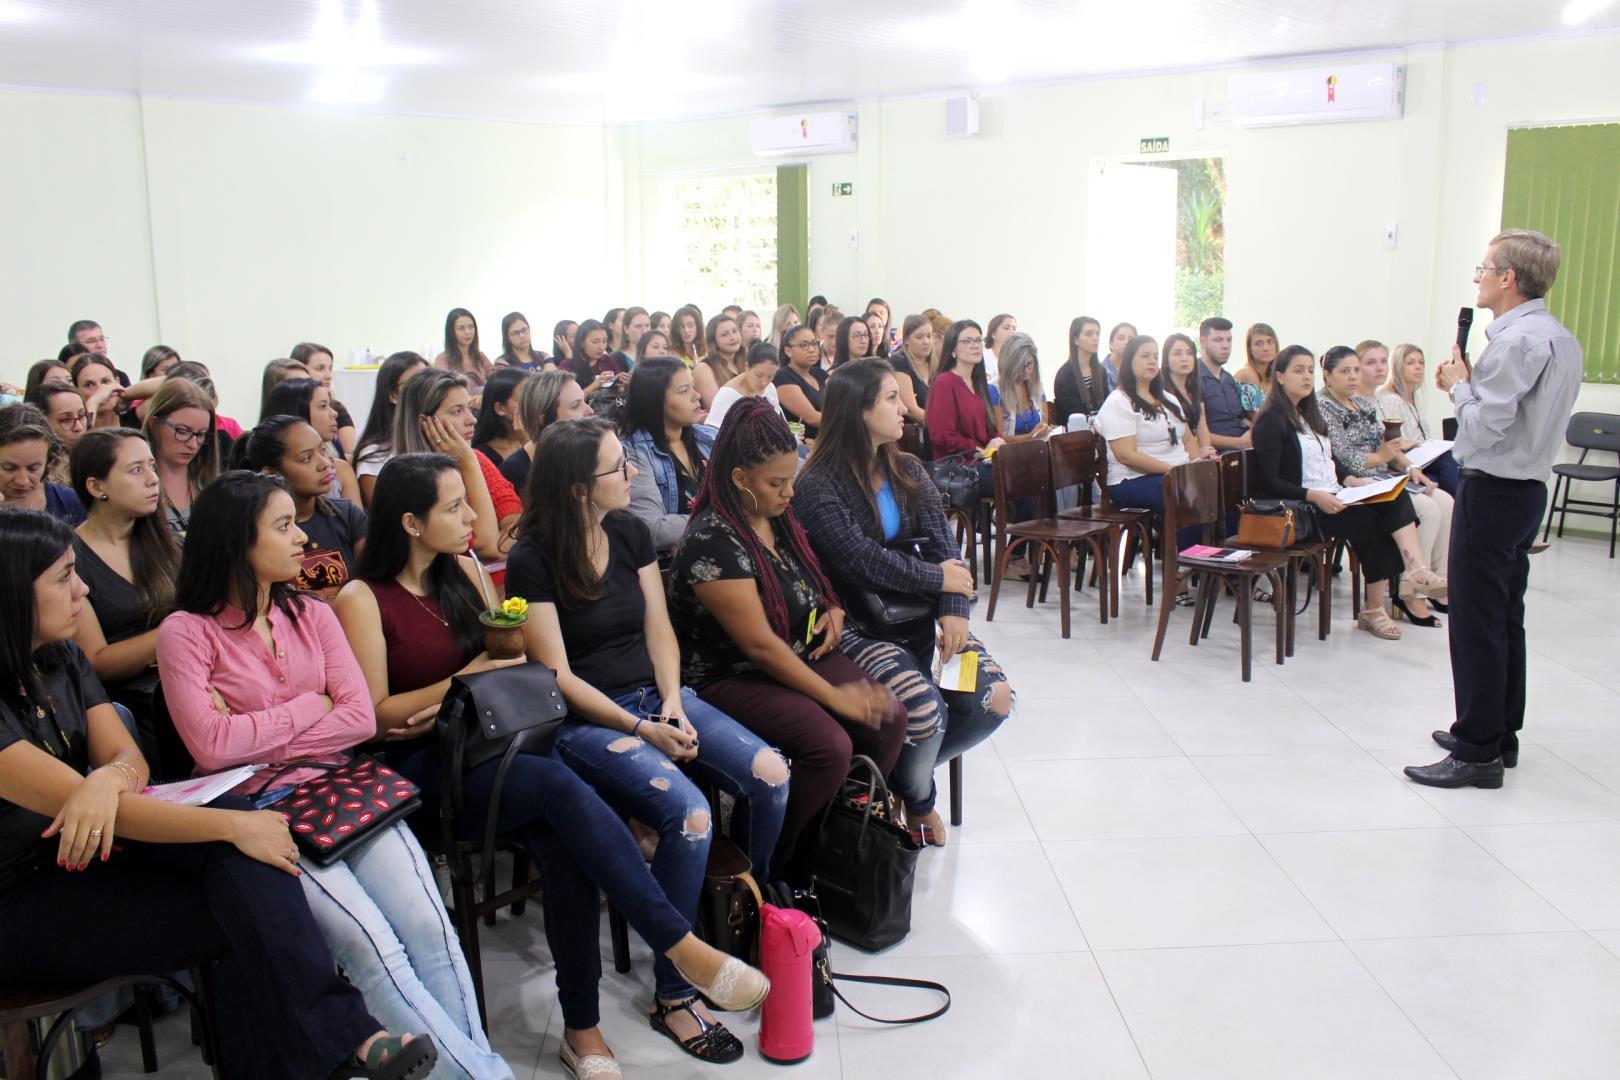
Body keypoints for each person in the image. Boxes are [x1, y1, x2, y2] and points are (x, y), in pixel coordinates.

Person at [0, 506, 438, 1080]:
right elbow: (122, 810)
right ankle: (345, 1039)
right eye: (62, 577)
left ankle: (337, 1046)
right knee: (244, 885)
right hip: (20, 897)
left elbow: (127, 759)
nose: (82, 589)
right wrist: (233, 824)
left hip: (86, 854)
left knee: (244, 881)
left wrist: (105, 779)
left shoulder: (61, 658)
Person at [156, 471, 506, 1080]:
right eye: (284, 525)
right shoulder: (186, 631)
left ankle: (476, 1067)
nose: (303, 539)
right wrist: (306, 707)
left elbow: (359, 718)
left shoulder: (310, 614)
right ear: (238, 541)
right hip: (260, 810)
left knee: (428, 925)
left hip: (342, 786)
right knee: (369, 944)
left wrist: (261, 729)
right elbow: (212, 750)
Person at [502, 423, 786, 1062]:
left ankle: (750, 915)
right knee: (687, 815)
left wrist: (673, 701)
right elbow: (557, 676)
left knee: (770, 773)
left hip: (655, 698)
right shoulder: (534, 557)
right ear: (580, 488)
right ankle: (675, 991)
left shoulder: (628, 532)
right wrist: (639, 727)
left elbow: (660, 628)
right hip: (587, 723)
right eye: (617, 468)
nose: (635, 476)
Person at [668, 398, 903, 879]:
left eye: (791, 477)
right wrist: (834, 697)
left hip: (794, 653)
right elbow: (758, 646)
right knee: (828, 747)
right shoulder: (712, 542)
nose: (790, 491)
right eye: (777, 483)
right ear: (739, 480)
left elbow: (814, 584)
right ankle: (778, 866)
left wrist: (833, 610)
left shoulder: (776, 518)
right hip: (730, 673)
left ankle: (836, 834)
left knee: (889, 717)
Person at [797, 358, 1013, 847]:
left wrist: (952, 612)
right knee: (925, 711)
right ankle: (919, 801)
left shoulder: (907, 467)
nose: (905, 409)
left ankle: (887, 782)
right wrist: (939, 580)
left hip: (920, 618)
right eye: (892, 398)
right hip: (858, 627)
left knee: (993, 700)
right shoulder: (817, 484)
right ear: (859, 411)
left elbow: (945, 549)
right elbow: (858, 560)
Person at [1406, 229, 1583, 790]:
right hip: (1528, 491)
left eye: (1483, 268)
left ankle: (1477, 748)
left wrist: (1460, 388)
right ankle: (1499, 732)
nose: (1478, 278)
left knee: (1476, 620)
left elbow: (1484, 427)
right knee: (1504, 615)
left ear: (1508, 278)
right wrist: (1468, 386)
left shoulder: (1515, 343)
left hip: (1496, 488)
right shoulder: (1559, 337)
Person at [1252, 346, 1442, 642]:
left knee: (1394, 497)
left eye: (1309, 370)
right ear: (1279, 377)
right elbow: (1268, 481)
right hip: (1300, 507)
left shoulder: (1308, 414)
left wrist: (1350, 478)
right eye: (1298, 371)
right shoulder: (1270, 421)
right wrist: (1313, 495)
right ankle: (1374, 610)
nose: (1306, 377)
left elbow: (1328, 459)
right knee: (1370, 523)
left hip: (1333, 493)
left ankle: (1414, 568)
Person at [1317, 345, 1450, 626]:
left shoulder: (1364, 404)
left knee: (1446, 502)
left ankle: (1430, 579)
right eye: (1345, 371)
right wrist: (1385, 457)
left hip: (1383, 474)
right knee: (1427, 510)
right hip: (1357, 481)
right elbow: (1347, 458)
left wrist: (1411, 468)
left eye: (1355, 370)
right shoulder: (1323, 405)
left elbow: (1387, 446)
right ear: (1327, 376)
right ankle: (1409, 588)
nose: (1353, 376)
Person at [359, 370, 515, 557]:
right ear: (423, 422)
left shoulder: (474, 457)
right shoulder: (405, 478)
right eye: (457, 411)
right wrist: (468, 465)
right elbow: (486, 545)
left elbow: (516, 523)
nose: (472, 420)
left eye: (469, 409)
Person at [69, 430, 178, 691]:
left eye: (151, 466)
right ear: (96, 487)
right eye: (135, 470)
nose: (153, 480)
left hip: (187, 683)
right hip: (126, 702)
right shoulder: (69, 557)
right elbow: (94, 662)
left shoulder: (170, 543)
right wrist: (179, 631)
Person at [1094, 335, 1216, 548]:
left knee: (1222, 489)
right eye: (1145, 356)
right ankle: (1185, 564)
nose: (1152, 361)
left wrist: (1197, 467)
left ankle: (1221, 565)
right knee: (1185, 493)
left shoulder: (1168, 399)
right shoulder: (1118, 401)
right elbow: (1126, 455)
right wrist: (1174, 472)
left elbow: (1187, 437)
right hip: (1132, 480)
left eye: (1155, 356)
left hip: (1172, 474)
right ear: (1129, 361)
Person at [235, 416, 367, 598]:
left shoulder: (347, 515)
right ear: (271, 473)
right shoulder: (257, 531)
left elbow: (372, 585)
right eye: (306, 458)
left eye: (323, 450)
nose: (324, 463)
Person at [619, 358, 713, 552]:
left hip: (714, 547)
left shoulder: (707, 437)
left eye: (693, 387)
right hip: (671, 564)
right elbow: (654, 530)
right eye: (684, 390)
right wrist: (722, 518)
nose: (697, 396)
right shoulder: (634, 453)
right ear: (655, 401)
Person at [925, 320, 1005, 500]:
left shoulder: (978, 382)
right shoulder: (945, 382)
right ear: (953, 349)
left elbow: (990, 428)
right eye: (967, 341)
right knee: (1015, 478)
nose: (975, 345)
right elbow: (941, 435)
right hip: (959, 467)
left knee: (1032, 470)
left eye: (978, 340)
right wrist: (978, 450)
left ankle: (1024, 526)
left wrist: (997, 442)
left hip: (983, 461)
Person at [262, 376, 363, 504]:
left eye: (330, 405)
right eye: (323, 406)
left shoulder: (342, 469)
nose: (334, 413)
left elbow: (357, 521)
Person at [139, 378, 220, 539]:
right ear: (154, 424)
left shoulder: (211, 486)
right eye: (182, 431)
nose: (193, 444)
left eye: (201, 434)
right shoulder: (136, 486)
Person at [1379, 343, 1460, 495]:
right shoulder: (1391, 399)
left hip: (1425, 457)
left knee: (1449, 464)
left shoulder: (1415, 397)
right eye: (1410, 363)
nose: (1418, 367)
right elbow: (1393, 442)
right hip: (1407, 458)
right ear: (1397, 367)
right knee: (1448, 463)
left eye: (1421, 362)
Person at [498, 370, 591, 500]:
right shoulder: (514, 471)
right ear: (545, 420)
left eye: (585, 401)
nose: (590, 411)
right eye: (576, 406)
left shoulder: (590, 449)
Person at [0, 404, 84, 524]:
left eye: (33, 468)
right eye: (9, 468)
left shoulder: (71, 503)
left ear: (49, 459)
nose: (22, 481)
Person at [354, 351, 431, 479]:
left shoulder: (439, 434)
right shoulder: (375, 454)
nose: (426, 389)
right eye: (415, 383)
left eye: (429, 380)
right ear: (393, 395)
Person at [289, 343, 359, 458]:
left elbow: (349, 454)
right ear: (300, 372)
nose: (328, 375)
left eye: (330, 368)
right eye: (320, 368)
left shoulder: (337, 409)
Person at [1196, 316, 1251, 450]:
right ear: (1202, 342)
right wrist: (1239, 443)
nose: (1226, 346)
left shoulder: (1229, 379)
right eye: (1218, 340)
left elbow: (1241, 418)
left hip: (1246, 447)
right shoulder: (1193, 379)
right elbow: (1192, 433)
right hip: (1218, 455)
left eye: (1229, 340)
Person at [1160, 333, 1216, 459]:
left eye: (1190, 353)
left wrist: (1207, 451)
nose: (1184, 358)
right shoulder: (1161, 392)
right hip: (1176, 454)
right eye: (1177, 353)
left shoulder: (1194, 388)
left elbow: (1202, 425)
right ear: (1166, 360)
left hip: (1196, 453)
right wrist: (1197, 454)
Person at [706, 343, 781, 430]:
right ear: (747, 367)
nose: (764, 382)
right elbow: (712, 434)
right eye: (759, 375)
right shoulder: (727, 395)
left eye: (770, 376)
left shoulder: (770, 387)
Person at [993, 332, 1052, 441]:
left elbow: (1044, 423)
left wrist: (1044, 429)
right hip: (1011, 454)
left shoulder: (1037, 385)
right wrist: (1029, 437)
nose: (1026, 370)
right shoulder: (994, 390)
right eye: (1020, 366)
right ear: (1009, 365)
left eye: (1029, 364)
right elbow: (998, 440)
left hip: (1038, 450)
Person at [774, 323, 827, 441]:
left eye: (814, 343)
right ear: (788, 351)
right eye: (804, 345)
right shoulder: (783, 377)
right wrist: (848, 417)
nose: (812, 349)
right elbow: (812, 419)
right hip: (801, 447)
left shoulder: (821, 374)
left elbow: (841, 403)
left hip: (825, 442)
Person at [27, 382, 90, 479]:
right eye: (65, 420)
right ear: (42, 424)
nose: (79, 427)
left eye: (82, 416)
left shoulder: (97, 459)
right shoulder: (34, 475)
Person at [1053, 316, 1109, 425]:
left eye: (1097, 333)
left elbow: (1107, 405)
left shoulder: (1101, 371)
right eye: (1089, 334)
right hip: (1075, 436)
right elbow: (1075, 414)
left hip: (1101, 432)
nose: (1095, 338)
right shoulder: (1065, 376)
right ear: (1076, 339)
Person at [468, 366, 528, 467]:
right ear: (500, 408)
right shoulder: (483, 456)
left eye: (534, 396)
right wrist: (527, 445)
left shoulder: (543, 437)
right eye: (524, 399)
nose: (533, 403)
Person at [888, 315, 936, 423]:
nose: (926, 341)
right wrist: (941, 424)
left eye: (929, 336)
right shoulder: (898, 363)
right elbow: (912, 410)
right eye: (919, 337)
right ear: (906, 340)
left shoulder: (934, 366)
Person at [692, 314, 744, 411]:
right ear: (713, 340)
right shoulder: (704, 369)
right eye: (725, 334)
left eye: (735, 331)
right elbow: (716, 410)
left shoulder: (745, 363)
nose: (733, 337)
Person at [435, 308, 494, 392]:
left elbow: (495, 377)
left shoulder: (480, 356)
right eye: (461, 328)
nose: (467, 332)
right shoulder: (442, 359)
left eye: (470, 327)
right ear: (451, 332)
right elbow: (444, 389)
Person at [569, 319, 628, 396]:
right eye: (595, 342)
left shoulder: (607, 360)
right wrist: (595, 385)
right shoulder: (568, 366)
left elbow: (618, 393)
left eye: (604, 341)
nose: (601, 347)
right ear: (581, 342)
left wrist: (621, 384)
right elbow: (568, 401)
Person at [72, 354, 124, 430]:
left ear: (117, 382)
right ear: (77, 391)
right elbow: (83, 432)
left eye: (105, 381)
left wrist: (124, 392)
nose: (101, 390)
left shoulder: (131, 417)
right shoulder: (75, 426)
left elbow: (148, 386)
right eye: (89, 385)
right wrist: (94, 401)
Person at [1236, 322, 1278, 414]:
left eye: (1270, 342)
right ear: (1249, 348)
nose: (1266, 348)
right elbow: (1258, 419)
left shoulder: (1275, 375)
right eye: (1259, 343)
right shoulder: (1246, 373)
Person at [984, 313, 1017, 385]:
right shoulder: (984, 357)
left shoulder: (1016, 358)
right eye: (1006, 328)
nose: (1012, 332)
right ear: (994, 334)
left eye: (1014, 328)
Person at [1102, 322, 1135, 391]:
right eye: (1121, 338)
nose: (1126, 342)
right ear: (1111, 343)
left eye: (1131, 339)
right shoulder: (1101, 371)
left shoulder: (1137, 370)